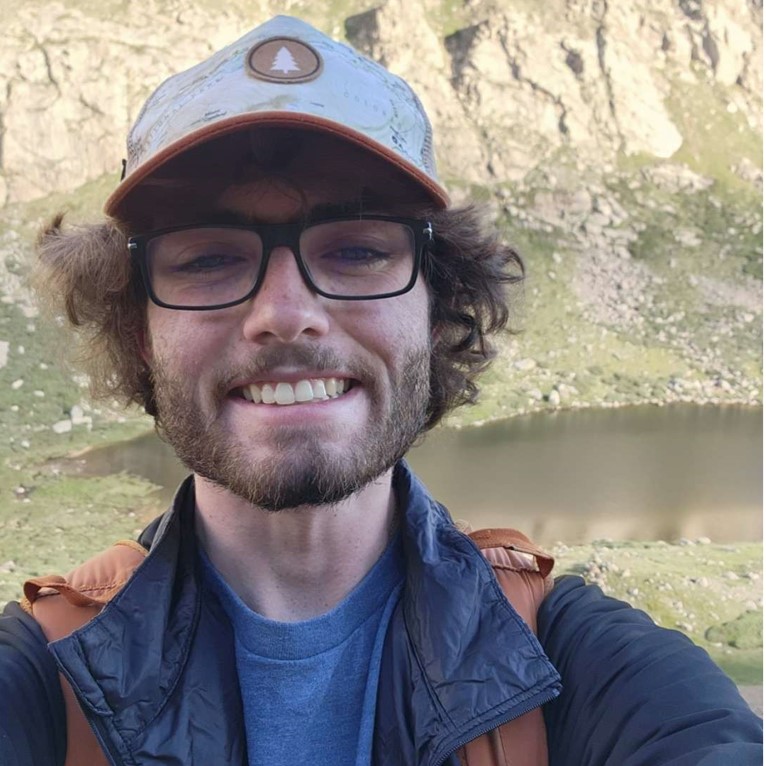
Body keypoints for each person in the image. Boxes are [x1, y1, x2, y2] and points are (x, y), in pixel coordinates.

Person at [0, 15, 761, 766]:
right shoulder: (44, 674)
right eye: (207, 260)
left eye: (358, 250)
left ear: (435, 311)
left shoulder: (578, 665)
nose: (285, 314)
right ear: (140, 332)